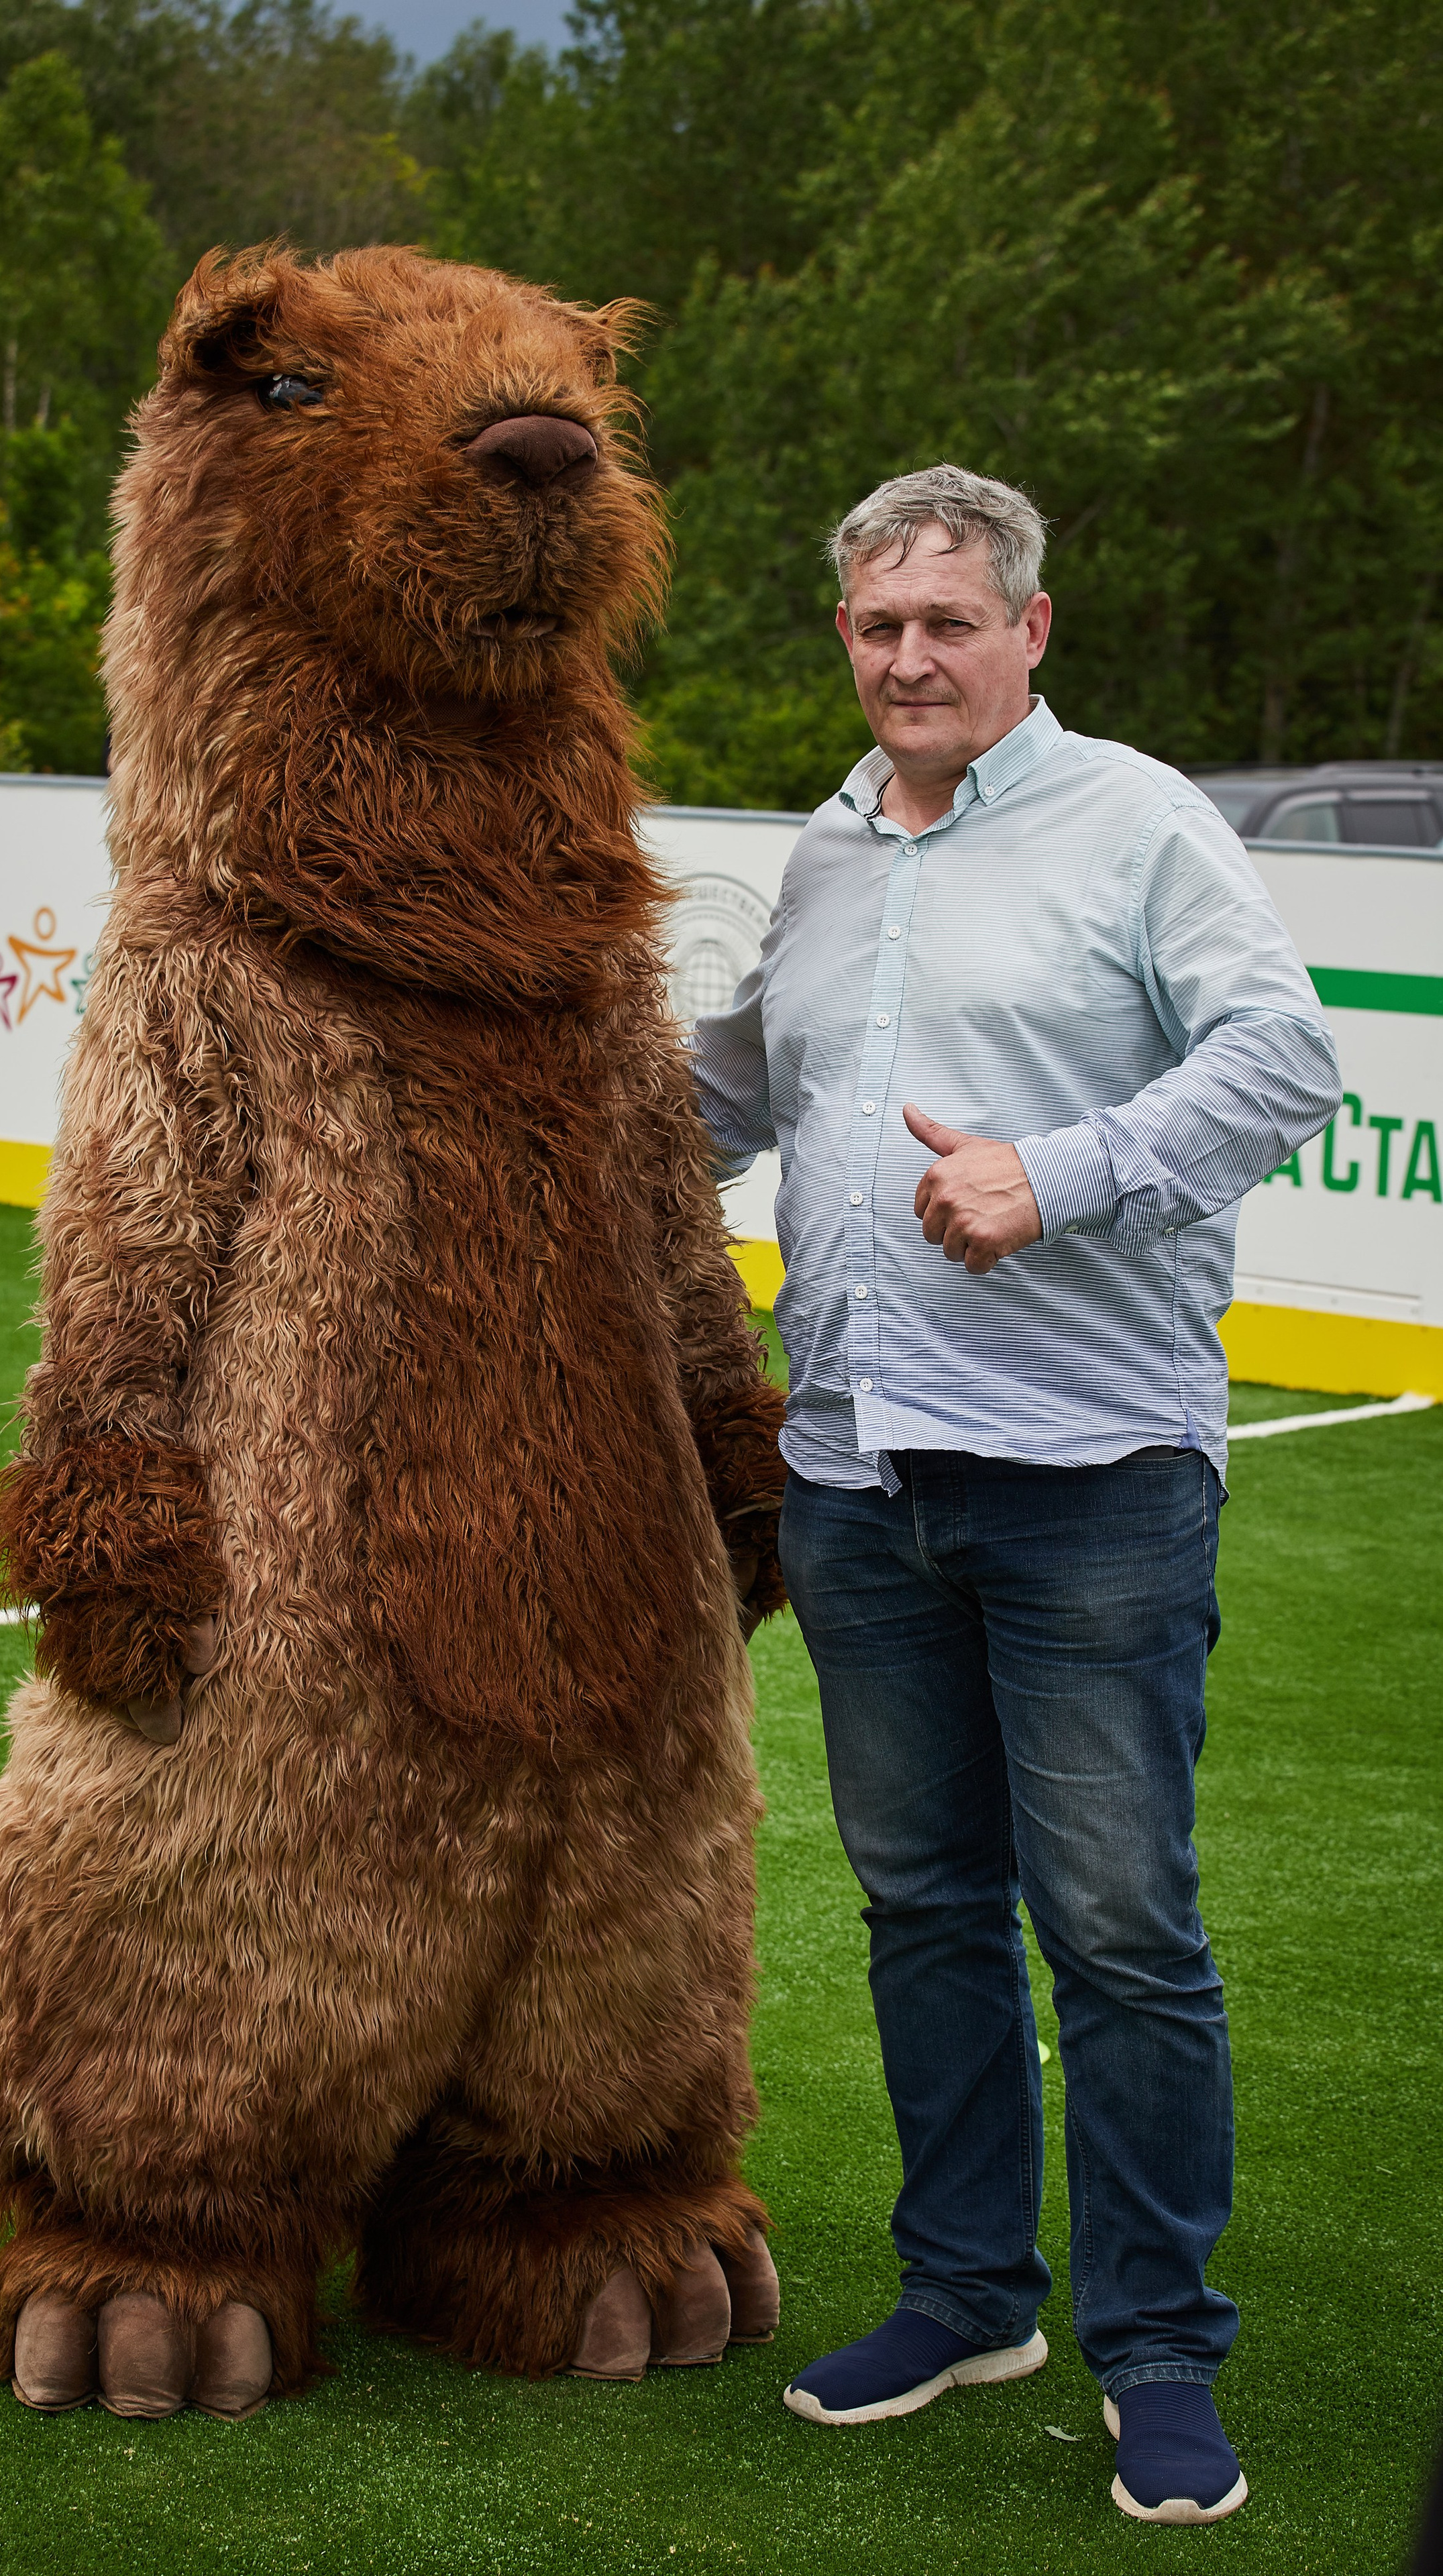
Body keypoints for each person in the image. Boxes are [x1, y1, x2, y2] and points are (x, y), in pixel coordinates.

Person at [690, 463, 1342, 2528]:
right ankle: (972, 2290)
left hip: (1089, 1482)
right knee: (922, 1914)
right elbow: (731, 1096)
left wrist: (1050, 1178)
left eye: (948, 624)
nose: (908, 660)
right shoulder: (816, 853)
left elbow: (1286, 1059)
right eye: (878, 628)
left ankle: (1160, 2355)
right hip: (861, 1478)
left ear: (1028, 632)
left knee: (1126, 1933)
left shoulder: (1139, 820)